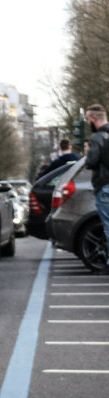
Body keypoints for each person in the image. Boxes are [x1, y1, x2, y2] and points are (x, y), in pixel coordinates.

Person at [86, 105, 109, 273]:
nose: (88, 123)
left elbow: (92, 161)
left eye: (88, 119)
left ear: (94, 119)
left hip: (105, 185)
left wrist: (88, 154)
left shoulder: (97, 137)